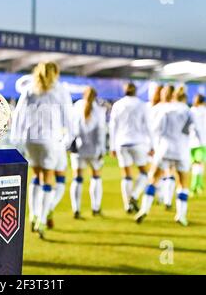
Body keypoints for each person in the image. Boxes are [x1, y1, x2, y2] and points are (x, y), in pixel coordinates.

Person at [10, 62, 73, 239]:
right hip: (49, 139)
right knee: (49, 180)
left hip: (31, 140)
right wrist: (69, 138)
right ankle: (42, 218)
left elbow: (18, 116)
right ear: (56, 73)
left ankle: (34, 214)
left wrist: (18, 140)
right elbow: (68, 116)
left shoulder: (30, 89)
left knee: (37, 178)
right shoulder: (59, 90)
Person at [135, 86, 199, 226]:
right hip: (181, 149)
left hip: (164, 148)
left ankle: (144, 209)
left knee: (153, 179)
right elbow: (196, 129)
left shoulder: (165, 109)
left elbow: (156, 129)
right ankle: (181, 215)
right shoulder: (187, 110)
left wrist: (155, 144)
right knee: (182, 182)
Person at [109, 82, 153, 214]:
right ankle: (134, 196)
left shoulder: (118, 104)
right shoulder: (141, 104)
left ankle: (127, 205)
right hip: (138, 142)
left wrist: (112, 146)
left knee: (126, 176)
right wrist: (152, 145)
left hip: (122, 143)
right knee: (144, 173)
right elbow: (147, 126)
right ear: (136, 91)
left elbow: (113, 126)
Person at [70, 87, 106, 217]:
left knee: (77, 178)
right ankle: (95, 208)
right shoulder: (99, 110)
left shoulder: (77, 106)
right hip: (94, 149)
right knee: (96, 176)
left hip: (78, 148)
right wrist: (102, 150)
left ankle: (76, 209)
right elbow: (101, 132)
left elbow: (71, 128)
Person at [189, 94, 206, 196]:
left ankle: (197, 185)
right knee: (199, 164)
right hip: (202, 142)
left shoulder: (191, 110)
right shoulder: (204, 111)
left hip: (191, 142)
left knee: (195, 164)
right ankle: (196, 186)